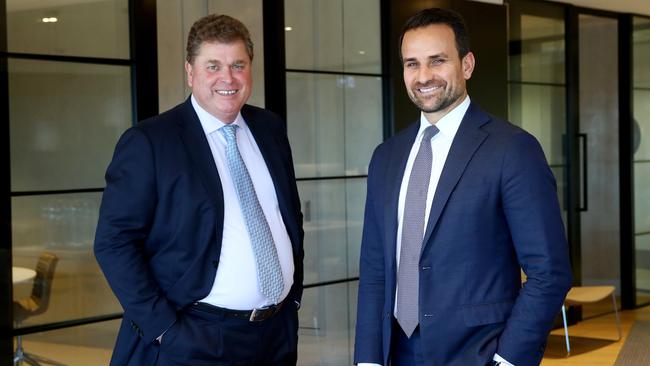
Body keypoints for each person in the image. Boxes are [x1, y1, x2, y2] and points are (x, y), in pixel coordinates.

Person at [354, 8, 572, 366]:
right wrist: (367, 359)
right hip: (395, 352)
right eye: (412, 64)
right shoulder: (386, 157)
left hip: (480, 353)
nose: (423, 76)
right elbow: (375, 268)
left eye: (437, 61)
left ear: (467, 65)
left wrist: (508, 359)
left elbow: (550, 271)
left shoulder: (512, 149)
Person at [94, 14, 304, 366]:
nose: (228, 77)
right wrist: (164, 328)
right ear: (190, 72)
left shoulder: (269, 129)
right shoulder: (150, 142)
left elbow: (288, 217)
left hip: (276, 333)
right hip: (196, 337)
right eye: (213, 66)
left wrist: (292, 297)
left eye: (238, 65)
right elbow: (114, 242)